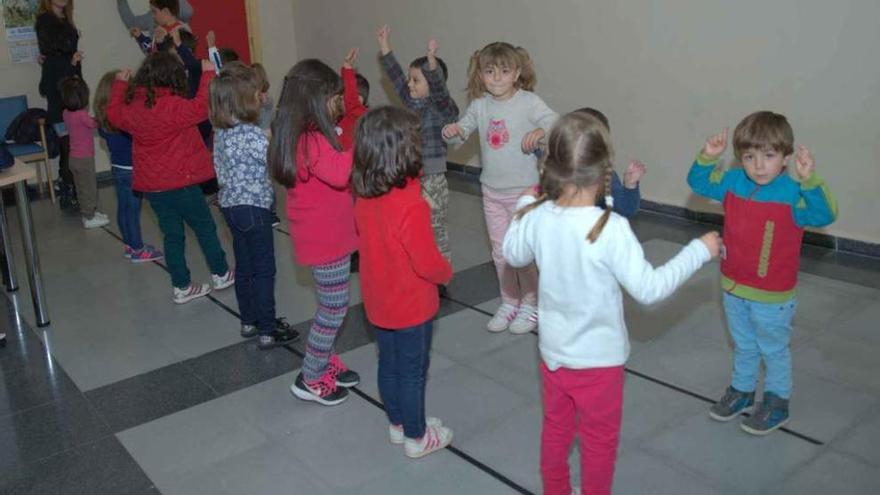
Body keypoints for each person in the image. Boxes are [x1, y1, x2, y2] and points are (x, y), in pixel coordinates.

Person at [503, 111, 720, 495]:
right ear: (605, 168)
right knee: (598, 444)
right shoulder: (611, 228)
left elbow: (513, 253)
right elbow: (650, 289)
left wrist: (527, 195)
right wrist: (697, 252)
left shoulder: (538, 217)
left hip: (554, 356)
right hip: (599, 364)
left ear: (549, 165)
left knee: (556, 431)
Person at [688, 111, 838, 435]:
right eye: (749, 156)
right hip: (732, 286)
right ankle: (742, 393)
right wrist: (707, 157)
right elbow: (697, 183)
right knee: (743, 344)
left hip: (773, 295)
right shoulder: (732, 182)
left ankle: (776, 403)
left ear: (785, 157)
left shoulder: (792, 195)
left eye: (768, 156)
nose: (758, 165)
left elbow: (825, 212)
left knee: (773, 349)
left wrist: (811, 180)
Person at [353, 106, 454, 458]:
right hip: (411, 304)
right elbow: (426, 262)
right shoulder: (411, 202)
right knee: (414, 371)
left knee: (389, 364)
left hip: (378, 301)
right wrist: (446, 272)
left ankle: (398, 423)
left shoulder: (364, 196)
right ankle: (417, 435)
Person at [442, 41, 557, 333]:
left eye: (504, 71)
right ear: (481, 75)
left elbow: (555, 121)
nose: (496, 78)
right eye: (489, 71)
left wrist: (540, 130)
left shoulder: (528, 101)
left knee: (523, 253)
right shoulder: (480, 106)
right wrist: (452, 131)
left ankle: (531, 305)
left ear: (517, 73)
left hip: (525, 194)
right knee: (501, 252)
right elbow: (461, 132)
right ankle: (509, 301)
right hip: (491, 193)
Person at [268, 58, 361, 405]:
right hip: (327, 241)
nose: (336, 104)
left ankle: (325, 363)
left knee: (332, 304)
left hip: (327, 235)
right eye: (331, 97)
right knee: (333, 309)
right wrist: (362, 141)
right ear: (312, 100)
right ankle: (311, 376)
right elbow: (340, 173)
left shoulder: (304, 136)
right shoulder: (311, 141)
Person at [107, 52, 234, 304]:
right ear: (172, 77)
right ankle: (221, 273)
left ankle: (182, 286)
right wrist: (208, 73)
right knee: (205, 227)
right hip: (182, 183)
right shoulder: (172, 106)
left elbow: (113, 114)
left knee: (172, 235)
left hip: (153, 188)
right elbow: (202, 107)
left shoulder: (133, 108)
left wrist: (120, 85)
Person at [209, 62, 299, 349]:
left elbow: (221, 171)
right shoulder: (249, 134)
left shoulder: (221, 132)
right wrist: (276, 141)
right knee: (264, 269)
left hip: (231, 208)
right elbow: (274, 162)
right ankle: (268, 328)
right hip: (255, 208)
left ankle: (248, 320)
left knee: (244, 266)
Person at [377, 26, 460, 283]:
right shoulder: (411, 103)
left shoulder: (442, 108)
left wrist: (433, 69)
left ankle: (442, 275)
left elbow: (441, 94)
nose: (410, 84)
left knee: (436, 228)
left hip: (433, 179)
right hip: (412, 177)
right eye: (412, 79)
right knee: (414, 227)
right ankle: (417, 268)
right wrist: (385, 47)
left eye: (416, 80)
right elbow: (396, 77)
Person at [93, 71, 163, 261]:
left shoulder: (104, 117)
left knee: (124, 208)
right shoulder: (124, 117)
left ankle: (130, 245)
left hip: (117, 168)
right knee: (133, 211)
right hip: (133, 170)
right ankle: (138, 249)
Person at [35, 0, 82, 211]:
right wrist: (70, 62)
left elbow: (64, 49)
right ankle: (68, 191)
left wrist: (72, 63)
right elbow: (61, 47)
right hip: (58, 93)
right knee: (67, 145)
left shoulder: (65, 20)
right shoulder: (45, 20)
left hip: (71, 89)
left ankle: (71, 190)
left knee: (72, 146)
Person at [573, 107, 645, 217]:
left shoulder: (605, 175)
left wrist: (630, 186)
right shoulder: (554, 166)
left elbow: (626, 210)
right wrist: (537, 150)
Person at [59, 76, 107, 229]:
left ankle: (87, 213)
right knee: (90, 188)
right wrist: (103, 116)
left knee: (81, 187)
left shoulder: (66, 113)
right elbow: (93, 124)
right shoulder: (81, 115)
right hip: (84, 159)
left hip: (73, 158)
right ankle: (89, 216)